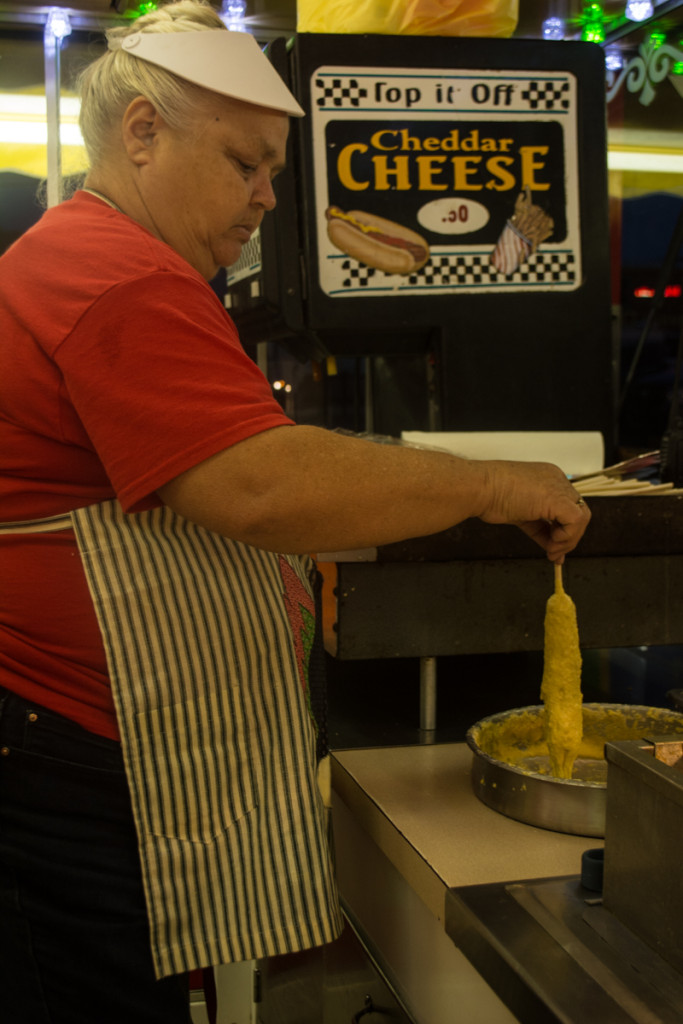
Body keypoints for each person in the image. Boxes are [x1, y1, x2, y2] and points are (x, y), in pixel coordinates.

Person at [0, 2, 591, 1022]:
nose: (271, 199)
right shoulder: (114, 274)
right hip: (60, 755)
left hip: (73, 745)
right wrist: (498, 483)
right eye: (246, 164)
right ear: (142, 133)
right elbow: (258, 483)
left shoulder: (100, 254)